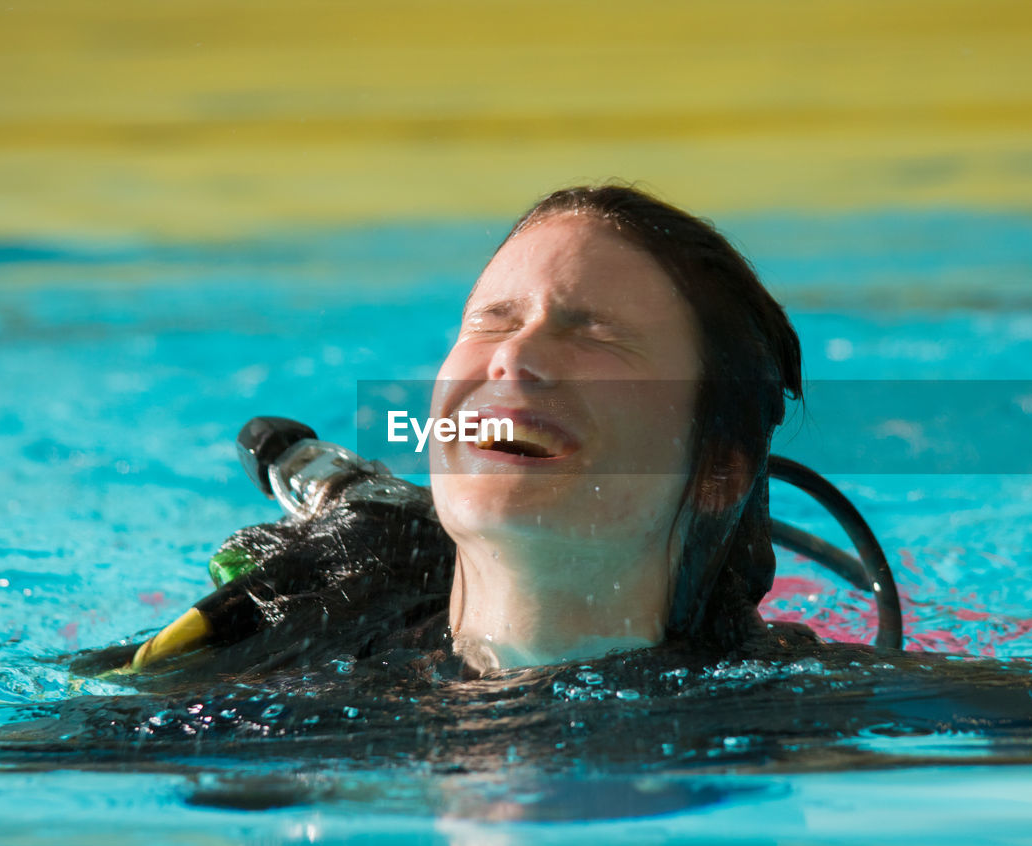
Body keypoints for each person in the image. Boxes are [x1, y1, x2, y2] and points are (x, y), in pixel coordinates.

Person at [83, 185, 842, 680]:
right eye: (493, 320)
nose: (513, 355)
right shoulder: (275, 654)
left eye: (596, 333)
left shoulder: (815, 723)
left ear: (718, 472)